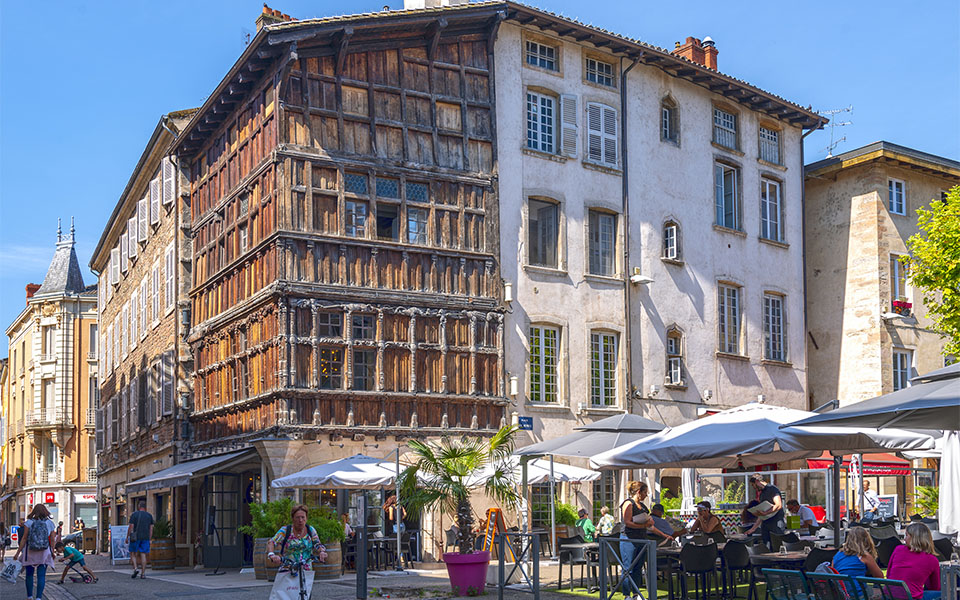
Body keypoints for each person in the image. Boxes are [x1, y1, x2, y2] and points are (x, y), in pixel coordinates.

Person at [619, 481, 668, 599]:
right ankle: (626, 595)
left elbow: (650, 525)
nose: (646, 495)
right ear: (638, 492)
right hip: (629, 539)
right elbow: (627, 522)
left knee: (638, 566)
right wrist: (643, 525)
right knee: (628, 567)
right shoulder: (628, 503)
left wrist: (663, 535)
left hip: (641, 538)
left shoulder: (643, 506)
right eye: (645, 492)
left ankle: (636, 594)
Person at [266, 504, 327, 597]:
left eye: (303, 517)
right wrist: (272, 555)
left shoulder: (310, 530)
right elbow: (271, 542)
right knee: (287, 596)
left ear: (306, 518)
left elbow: (317, 543)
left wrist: (322, 552)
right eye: (297, 517)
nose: (300, 520)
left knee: (305, 596)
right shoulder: (286, 530)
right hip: (288, 569)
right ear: (293, 518)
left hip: (306, 570)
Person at [12, 503, 57, 600]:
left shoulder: (29, 523)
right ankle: (39, 597)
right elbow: (53, 539)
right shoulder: (50, 523)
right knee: (41, 575)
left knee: (29, 574)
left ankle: (29, 596)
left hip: (30, 552)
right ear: (45, 511)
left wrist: (18, 552)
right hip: (44, 552)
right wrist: (52, 551)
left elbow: (24, 538)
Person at [886, 522, 941, 600]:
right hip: (911, 597)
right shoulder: (932, 559)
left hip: (888, 595)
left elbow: (889, 574)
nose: (904, 539)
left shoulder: (898, 549)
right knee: (944, 594)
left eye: (907, 535)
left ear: (914, 538)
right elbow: (935, 587)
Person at [831, 526, 883, 594]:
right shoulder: (864, 556)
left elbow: (833, 571)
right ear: (867, 540)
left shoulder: (837, 555)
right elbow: (879, 576)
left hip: (841, 593)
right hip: (857, 594)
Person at [749, 473, 785, 548]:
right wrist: (753, 528)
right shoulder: (762, 494)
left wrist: (765, 513)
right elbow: (762, 515)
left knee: (777, 547)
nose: (754, 488)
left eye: (753, 485)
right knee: (766, 547)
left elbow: (778, 505)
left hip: (776, 523)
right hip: (766, 524)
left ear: (756, 481)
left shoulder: (772, 489)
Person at [126, 498, 154, 579]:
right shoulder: (149, 516)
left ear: (139, 506)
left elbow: (131, 527)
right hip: (145, 537)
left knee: (133, 553)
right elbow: (151, 529)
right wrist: (149, 538)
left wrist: (127, 537)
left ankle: (135, 568)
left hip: (135, 537)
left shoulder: (134, 515)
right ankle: (143, 573)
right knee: (143, 554)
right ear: (145, 507)